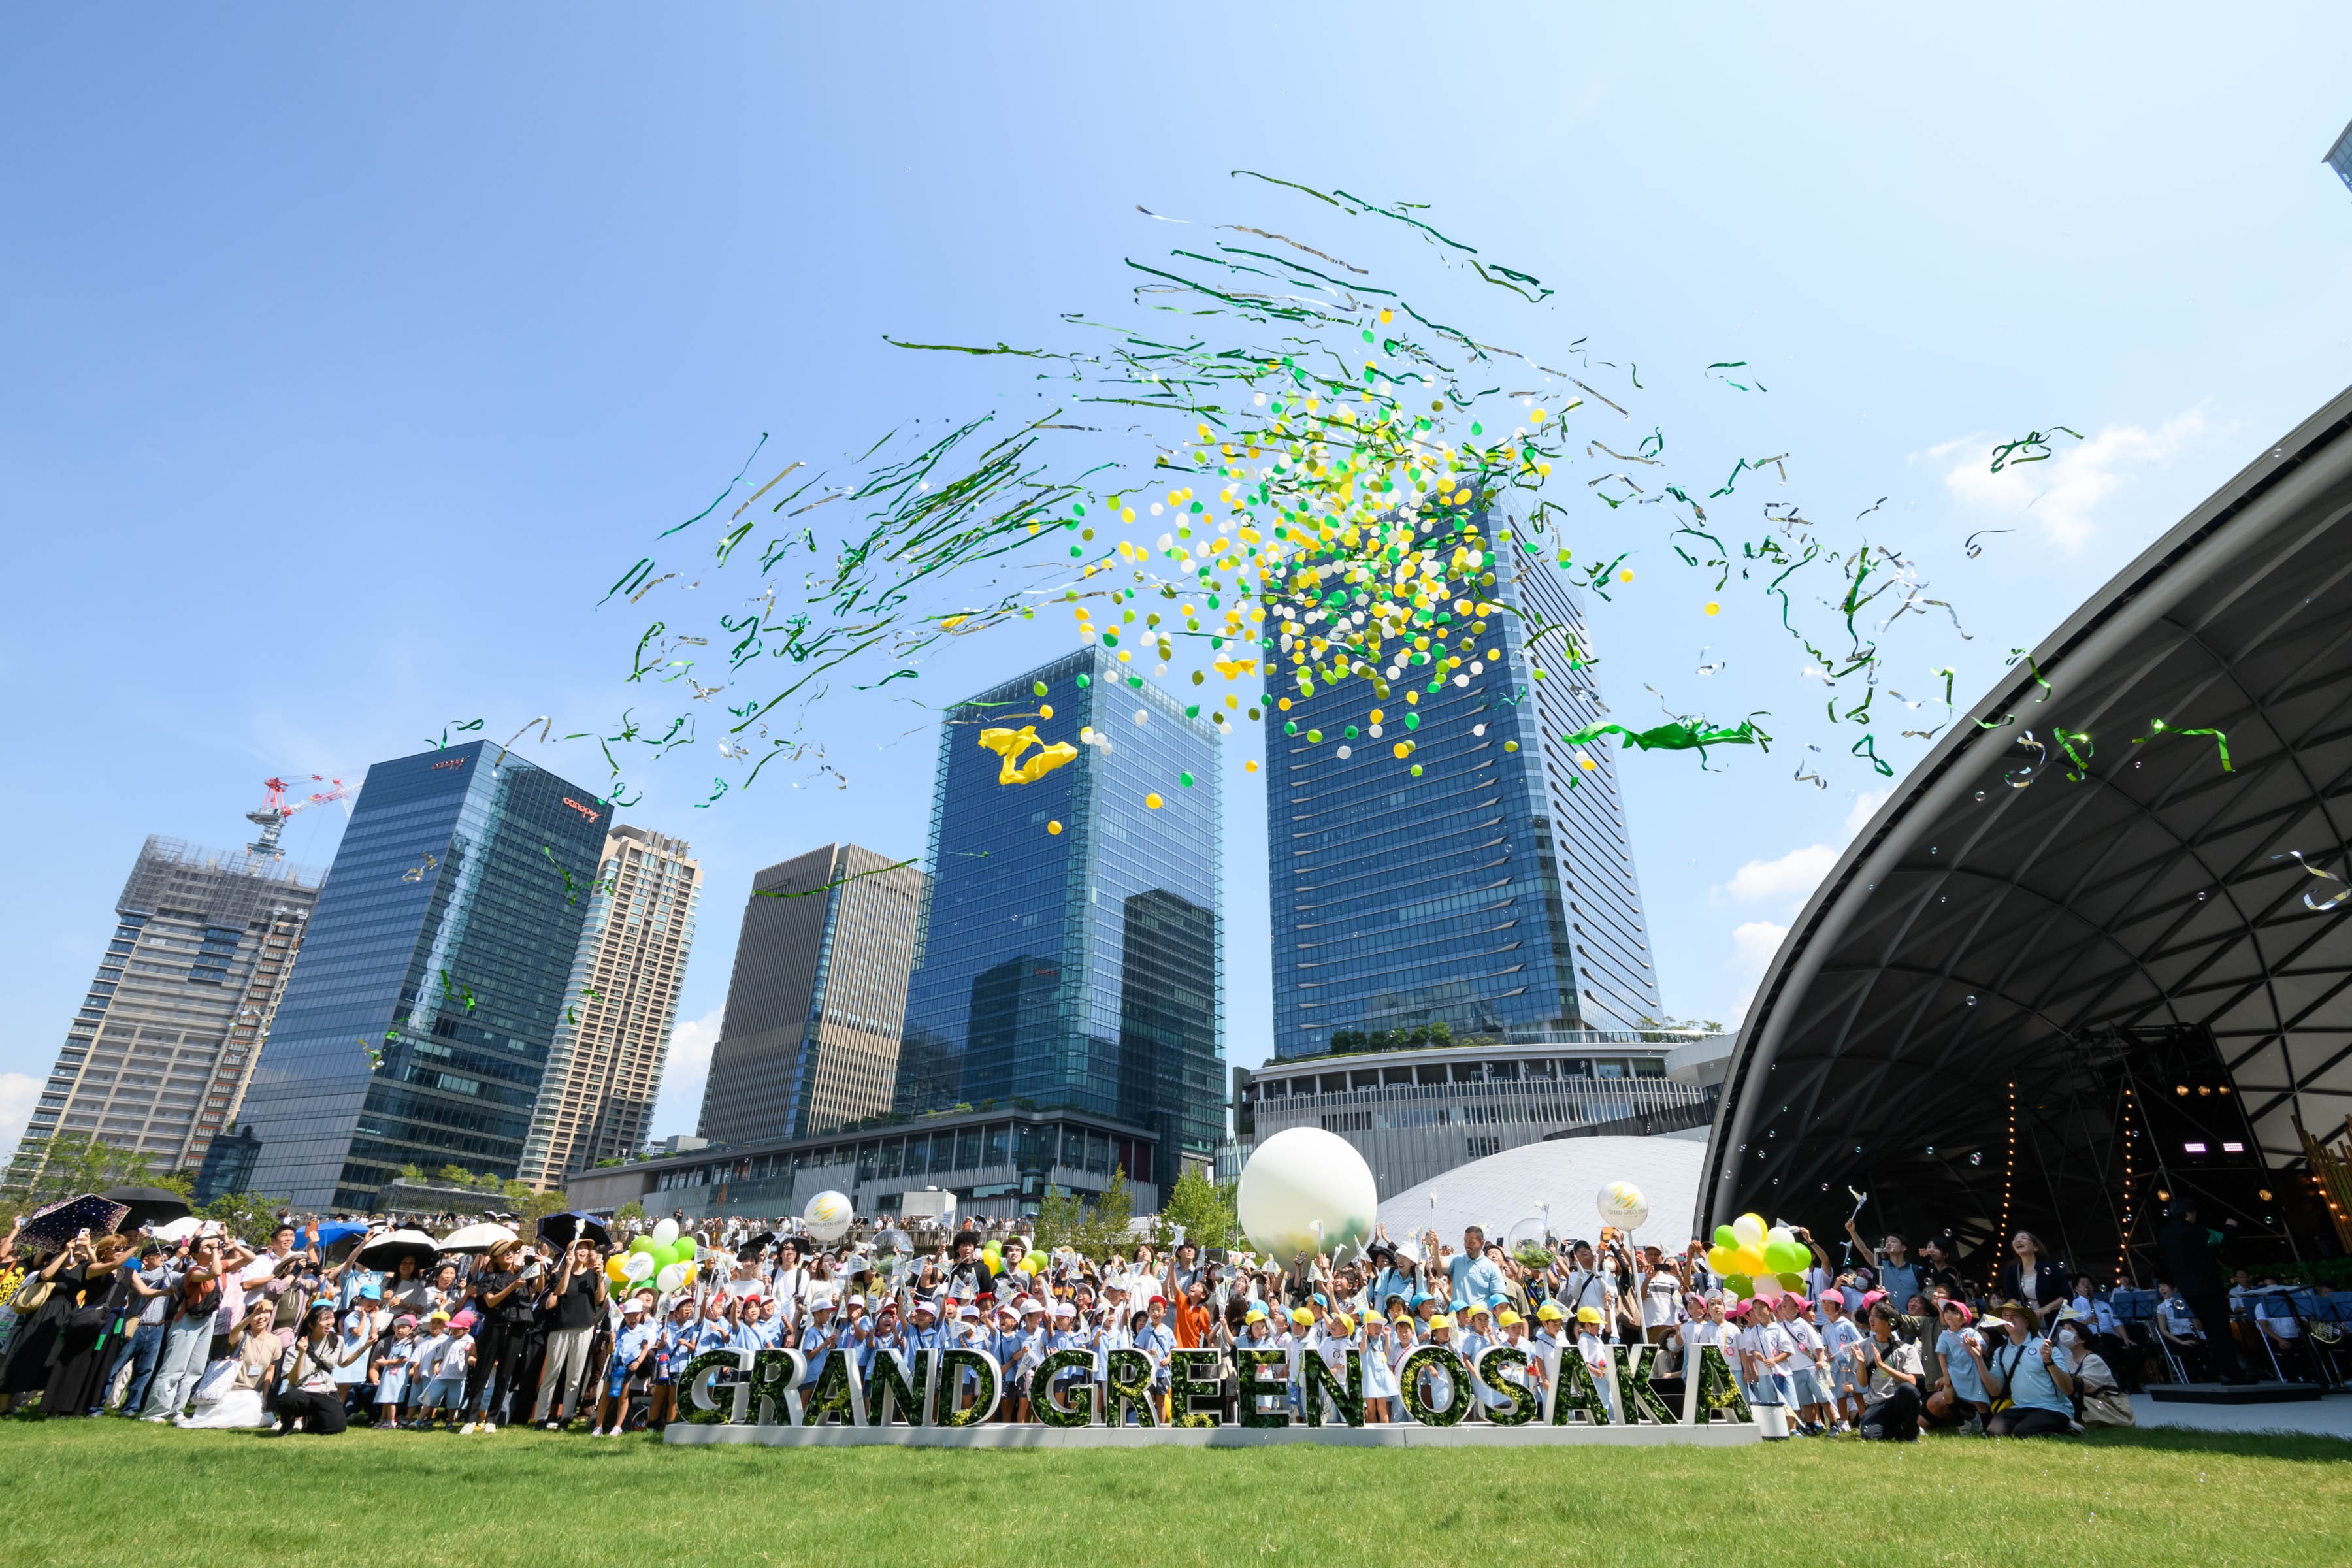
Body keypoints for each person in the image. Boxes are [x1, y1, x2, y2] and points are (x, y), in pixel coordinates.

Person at [2156, 1198, 2245, 1381]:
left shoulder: (2165, 1234)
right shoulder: (2196, 1231)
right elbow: (2224, 1240)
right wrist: (2231, 1227)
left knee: (2210, 1330)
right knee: (2220, 1330)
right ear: (2189, 1213)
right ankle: (2231, 1372)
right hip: (2207, 1286)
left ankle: (2223, 1371)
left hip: (2187, 1289)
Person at [532, 1237, 608, 1429]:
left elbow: (600, 1300)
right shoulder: (559, 1275)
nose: (582, 1251)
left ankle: (566, 1417)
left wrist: (600, 1277)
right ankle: (541, 1417)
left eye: (585, 1248)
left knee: (574, 1376)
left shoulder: (592, 1275)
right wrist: (568, 1267)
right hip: (560, 1328)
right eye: (578, 1248)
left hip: (584, 1328)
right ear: (570, 1252)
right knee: (552, 1373)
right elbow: (561, 1291)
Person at [1979, 1298, 2076, 1437]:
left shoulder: (2045, 1346)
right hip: (2019, 1409)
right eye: (2005, 1316)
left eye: (2014, 1315)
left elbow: (2068, 1388)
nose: (2009, 1318)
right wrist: (1978, 1359)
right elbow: (1995, 1390)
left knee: (2023, 1432)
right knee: (1994, 1433)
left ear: (2026, 1322)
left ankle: (2068, 1429)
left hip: (2052, 1408)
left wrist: (2049, 1362)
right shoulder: (2000, 1352)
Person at [271, 1302, 356, 1435]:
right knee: (288, 1399)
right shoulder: (297, 1347)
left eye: (331, 1318)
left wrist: (365, 1347)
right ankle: (287, 1423)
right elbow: (293, 1381)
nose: (330, 1323)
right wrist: (301, 1354)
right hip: (302, 1391)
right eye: (324, 1319)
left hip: (325, 1391)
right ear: (311, 1325)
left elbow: (344, 1363)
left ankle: (310, 1422)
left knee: (337, 1427)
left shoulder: (337, 1341)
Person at [1852, 1303, 1922, 1441]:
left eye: (1877, 1316)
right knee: (1870, 1436)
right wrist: (1861, 1363)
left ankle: (1910, 1434)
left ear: (1890, 1322)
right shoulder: (1863, 1346)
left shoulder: (1906, 1349)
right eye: (1870, 1315)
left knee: (1908, 1390)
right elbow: (1862, 1383)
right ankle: (1894, 1429)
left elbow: (1912, 1382)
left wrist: (1883, 1366)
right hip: (1877, 1404)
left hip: (1898, 1401)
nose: (1871, 1320)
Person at [1926, 1299, 1989, 1433]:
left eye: (1954, 1313)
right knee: (1948, 1395)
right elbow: (1941, 1355)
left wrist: (1973, 1344)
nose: (1948, 1315)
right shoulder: (1945, 1336)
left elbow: (1981, 1349)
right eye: (1946, 1312)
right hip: (1955, 1373)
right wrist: (1946, 1375)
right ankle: (1961, 1426)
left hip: (1973, 1372)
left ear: (1963, 1319)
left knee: (1980, 1402)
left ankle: (1987, 1428)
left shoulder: (1972, 1333)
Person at [1990, 1232, 2068, 1333]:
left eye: (2023, 1238)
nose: (2018, 1240)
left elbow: (2066, 1295)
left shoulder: (2051, 1267)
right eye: (2015, 1239)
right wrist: (2026, 1313)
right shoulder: (2013, 1271)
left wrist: (2046, 1309)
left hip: (2058, 1323)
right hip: (2032, 1326)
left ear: (2035, 1247)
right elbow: (2011, 1297)